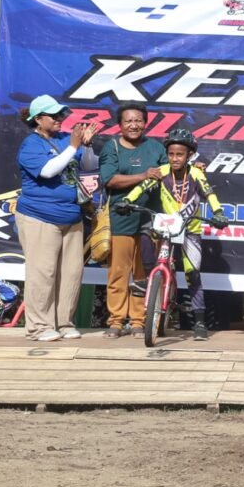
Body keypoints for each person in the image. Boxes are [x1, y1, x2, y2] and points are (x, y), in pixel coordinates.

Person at [114, 129, 229, 341]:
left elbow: (209, 194)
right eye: (171, 154)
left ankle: (200, 321)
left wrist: (219, 212)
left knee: (192, 274)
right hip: (166, 225)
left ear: (190, 155)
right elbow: (142, 187)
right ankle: (150, 277)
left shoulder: (196, 174)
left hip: (190, 228)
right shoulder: (161, 171)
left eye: (180, 155)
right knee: (146, 233)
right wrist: (128, 200)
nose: (175, 159)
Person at [15, 95, 99, 341]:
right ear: (38, 119)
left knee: (71, 273)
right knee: (43, 273)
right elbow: (47, 171)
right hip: (40, 216)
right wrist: (73, 147)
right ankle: (39, 327)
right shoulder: (31, 145)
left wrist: (87, 146)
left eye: (61, 114)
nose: (59, 118)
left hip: (71, 216)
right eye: (53, 115)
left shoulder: (65, 139)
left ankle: (64, 323)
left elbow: (89, 168)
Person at [98, 103, 167, 339]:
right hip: (121, 219)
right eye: (128, 121)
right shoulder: (112, 147)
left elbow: (170, 172)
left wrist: (192, 168)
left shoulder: (156, 147)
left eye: (138, 120)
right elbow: (109, 180)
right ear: (120, 125)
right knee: (118, 272)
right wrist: (143, 175)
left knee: (142, 273)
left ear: (145, 123)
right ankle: (116, 321)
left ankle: (138, 321)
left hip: (150, 219)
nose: (133, 125)